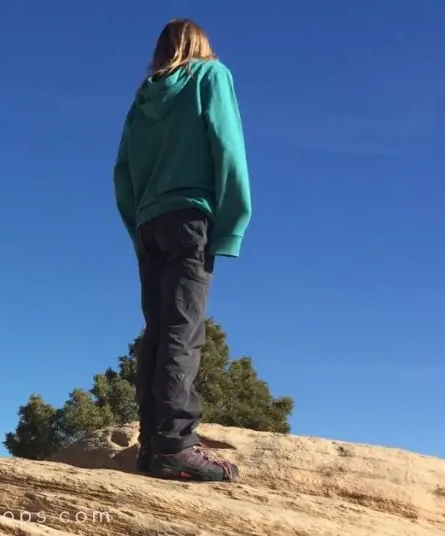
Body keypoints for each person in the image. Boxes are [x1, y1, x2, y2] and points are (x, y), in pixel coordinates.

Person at [112, 19, 252, 482]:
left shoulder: (141, 99)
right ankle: (175, 446)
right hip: (191, 214)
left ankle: (152, 445)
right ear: (200, 46)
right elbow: (226, 146)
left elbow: (123, 171)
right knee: (182, 329)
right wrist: (232, 221)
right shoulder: (212, 76)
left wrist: (139, 226)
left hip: (150, 221)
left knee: (157, 331)